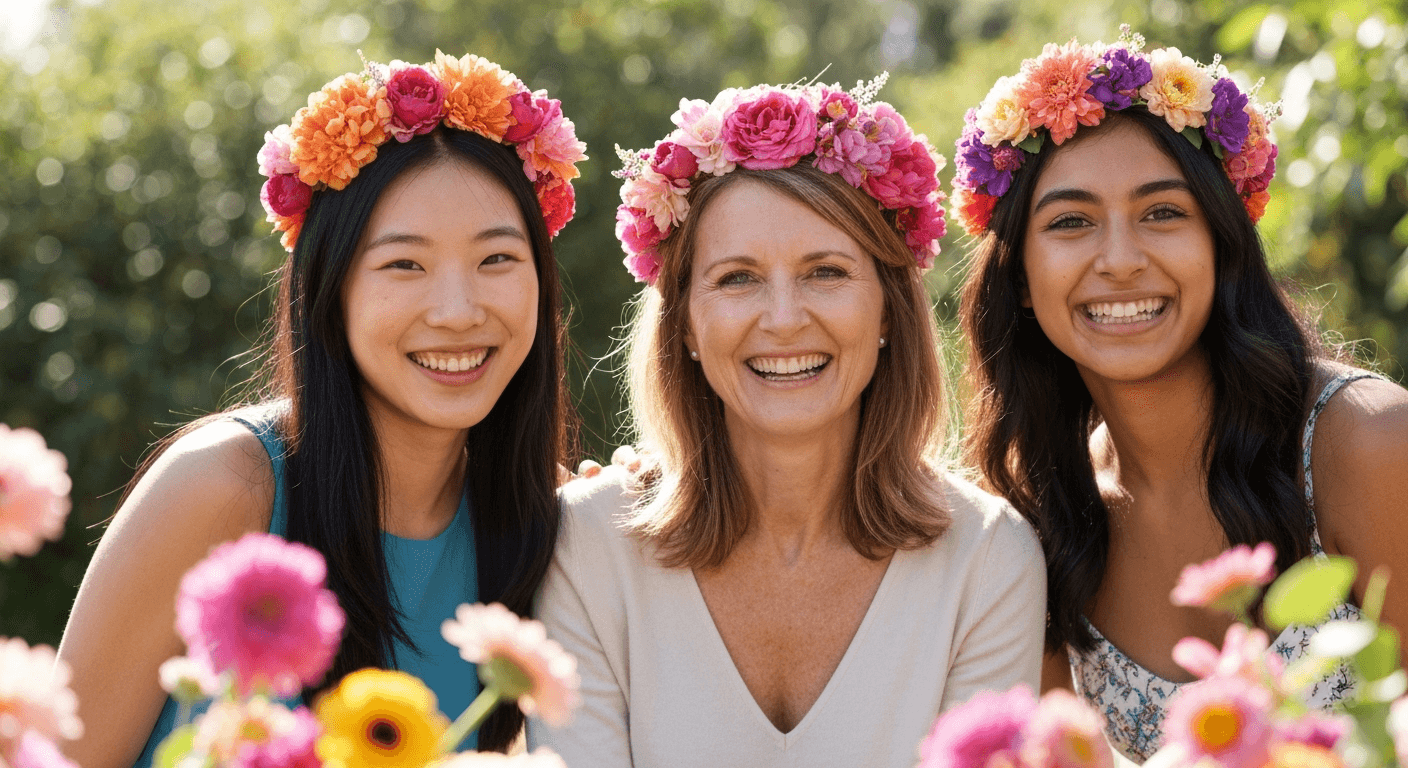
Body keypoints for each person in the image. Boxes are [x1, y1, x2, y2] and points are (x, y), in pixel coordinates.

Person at [56, 51, 586, 767]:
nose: (459, 312)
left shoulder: (551, 519)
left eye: (497, 259)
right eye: (404, 264)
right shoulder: (222, 487)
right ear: (330, 290)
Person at [527, 77, 1046, 768]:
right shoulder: (585, 544)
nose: (782, 319)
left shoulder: (988, 559)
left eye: (825, 272)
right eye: (737, 278)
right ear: (685, 324)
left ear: (888, 312)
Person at [953, 28, 1408, 763]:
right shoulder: (1040, 522)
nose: (1120, 260)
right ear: (1023, 281)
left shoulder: (1370, 444)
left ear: (1221, 246)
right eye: (1070, 222)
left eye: (1162, 212)